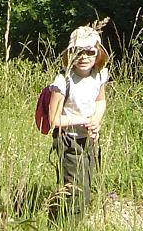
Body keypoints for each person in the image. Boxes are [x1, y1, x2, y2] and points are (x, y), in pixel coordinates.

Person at [47, 24, 109, 215]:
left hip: (89, 139)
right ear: (70, 53)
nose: (83, 57)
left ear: (97, 53)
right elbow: (54, 120)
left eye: (89, 52)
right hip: (68, 140)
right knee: (73, 186)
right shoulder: (62, 81)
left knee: (88, 180)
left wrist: (96, 121)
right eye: (77, 51)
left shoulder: (99, 75)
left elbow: (100, 102)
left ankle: (78, 219)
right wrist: (82, 119)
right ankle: (67, 225)